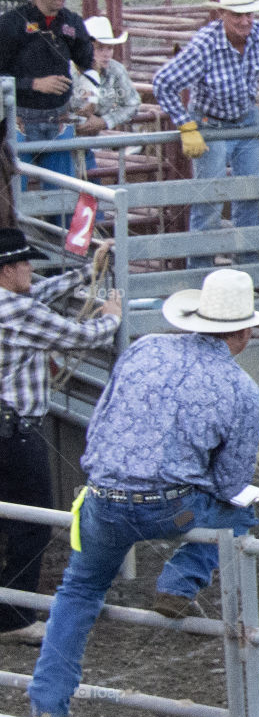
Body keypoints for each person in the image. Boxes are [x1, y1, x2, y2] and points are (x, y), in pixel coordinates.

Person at [28, 268, 259, 717]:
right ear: (245, 333)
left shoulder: (144, 350)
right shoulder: (243, 390)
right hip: (172, 507)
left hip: (102, 497)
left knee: (79, 590)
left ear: (194, 319)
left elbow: (100, 423)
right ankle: (178, 583)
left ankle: (47, 704)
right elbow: (230, 482)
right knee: (241, 513)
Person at [0, 228, 121, 646]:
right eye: (26, 263)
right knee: (32, 520)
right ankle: (15, 617)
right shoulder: (15, 311)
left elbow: (42, 293)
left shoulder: (14, 303)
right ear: (9, 269)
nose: (33, 268)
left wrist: (89, 271)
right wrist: (111, 317)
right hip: (11, 431)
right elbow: (78, 337)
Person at [152, 0, 259, 269]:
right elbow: (163, 83)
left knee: (250, 196)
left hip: (247, 120)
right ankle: (199, 275)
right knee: (210, 201)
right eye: (237, 15)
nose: (245, 21)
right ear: (222, 15)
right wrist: (185, 125)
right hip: (209, 124)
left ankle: (247, 272)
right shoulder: (205, 44)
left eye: (249, 14)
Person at [0, 0, 94, 181]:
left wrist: (91, 95)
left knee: (62, 195)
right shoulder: (10, 25)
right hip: (18, 120)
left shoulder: (72, 22)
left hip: (59, 119)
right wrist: (34, 84)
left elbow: (87, 64)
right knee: (15, 193)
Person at [69, 16, 140, 139]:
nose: (107, 54)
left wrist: (104, 121)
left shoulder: (115, 70)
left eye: (110, 48)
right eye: (100, 48)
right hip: (62, 138)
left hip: (92, 139)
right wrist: (74, 123)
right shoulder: (68, 70)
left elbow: (132, 104)